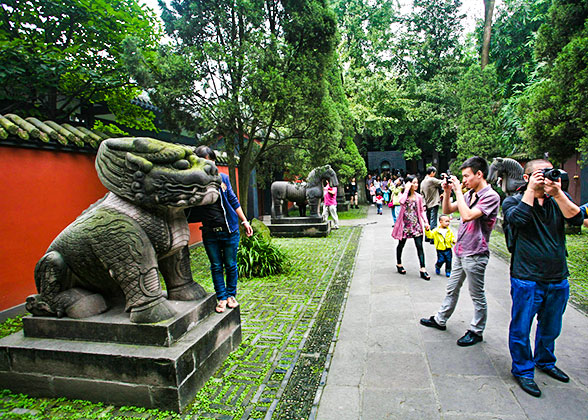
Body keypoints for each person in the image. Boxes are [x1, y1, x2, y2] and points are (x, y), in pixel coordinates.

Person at [502, 159, 583, 397]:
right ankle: (523, 370)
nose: (545, 177)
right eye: (539, 174)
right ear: (526, 178)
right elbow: (518, 220)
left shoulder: (557, 200)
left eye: (549, 172)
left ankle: (545, 361)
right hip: (526, 278)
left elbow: (576, 218)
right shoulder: (513, 201)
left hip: (557, 277)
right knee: (521, 328)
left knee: (551, 326)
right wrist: (530, 191)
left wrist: (557, 193)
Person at [420, 156, 500, 347]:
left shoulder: (490, 196)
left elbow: (468, 215)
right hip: (461, 250)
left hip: (476, 253)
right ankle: (440, 319)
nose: (464, 180)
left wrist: (457, 190)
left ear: (479, 174)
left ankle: (477, 330)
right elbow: (447, 210)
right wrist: (448, 192)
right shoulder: (469, 194)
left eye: (466, 176)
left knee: (476, 294)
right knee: (451, 288)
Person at [186, 146, 253, 313]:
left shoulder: (223, 178)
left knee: (230, 265)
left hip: (229, 230)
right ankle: (221, 298)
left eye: (211, 162)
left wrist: (244, 221)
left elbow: (232, 199)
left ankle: (231, 295)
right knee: (216, 266)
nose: (209, 166)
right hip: (209, 232)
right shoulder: (194, 182)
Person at [391, 175, 430, 280]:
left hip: (416, 225)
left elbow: (421, 210)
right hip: (404, 225)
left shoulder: (419, 197)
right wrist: (406, 189)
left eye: (417, 182)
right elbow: (401, 201)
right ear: (408, 183)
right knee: (401, 244)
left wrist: (426, 222)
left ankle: (423, 269)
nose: (416, 185)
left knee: (419, 247)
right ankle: (399, 263)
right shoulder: (402, 194)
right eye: (414, 182)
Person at [420, 166, 444, 244]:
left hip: (426, 204)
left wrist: (423, 204)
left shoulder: (423, 182)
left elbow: (422, 194)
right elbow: (442, 183)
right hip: (434, 202)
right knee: (433, 221)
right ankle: (433, 238)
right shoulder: (432, 180)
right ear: (432, 172)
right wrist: (445, 177)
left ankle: (427, 236)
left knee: (428, 220)